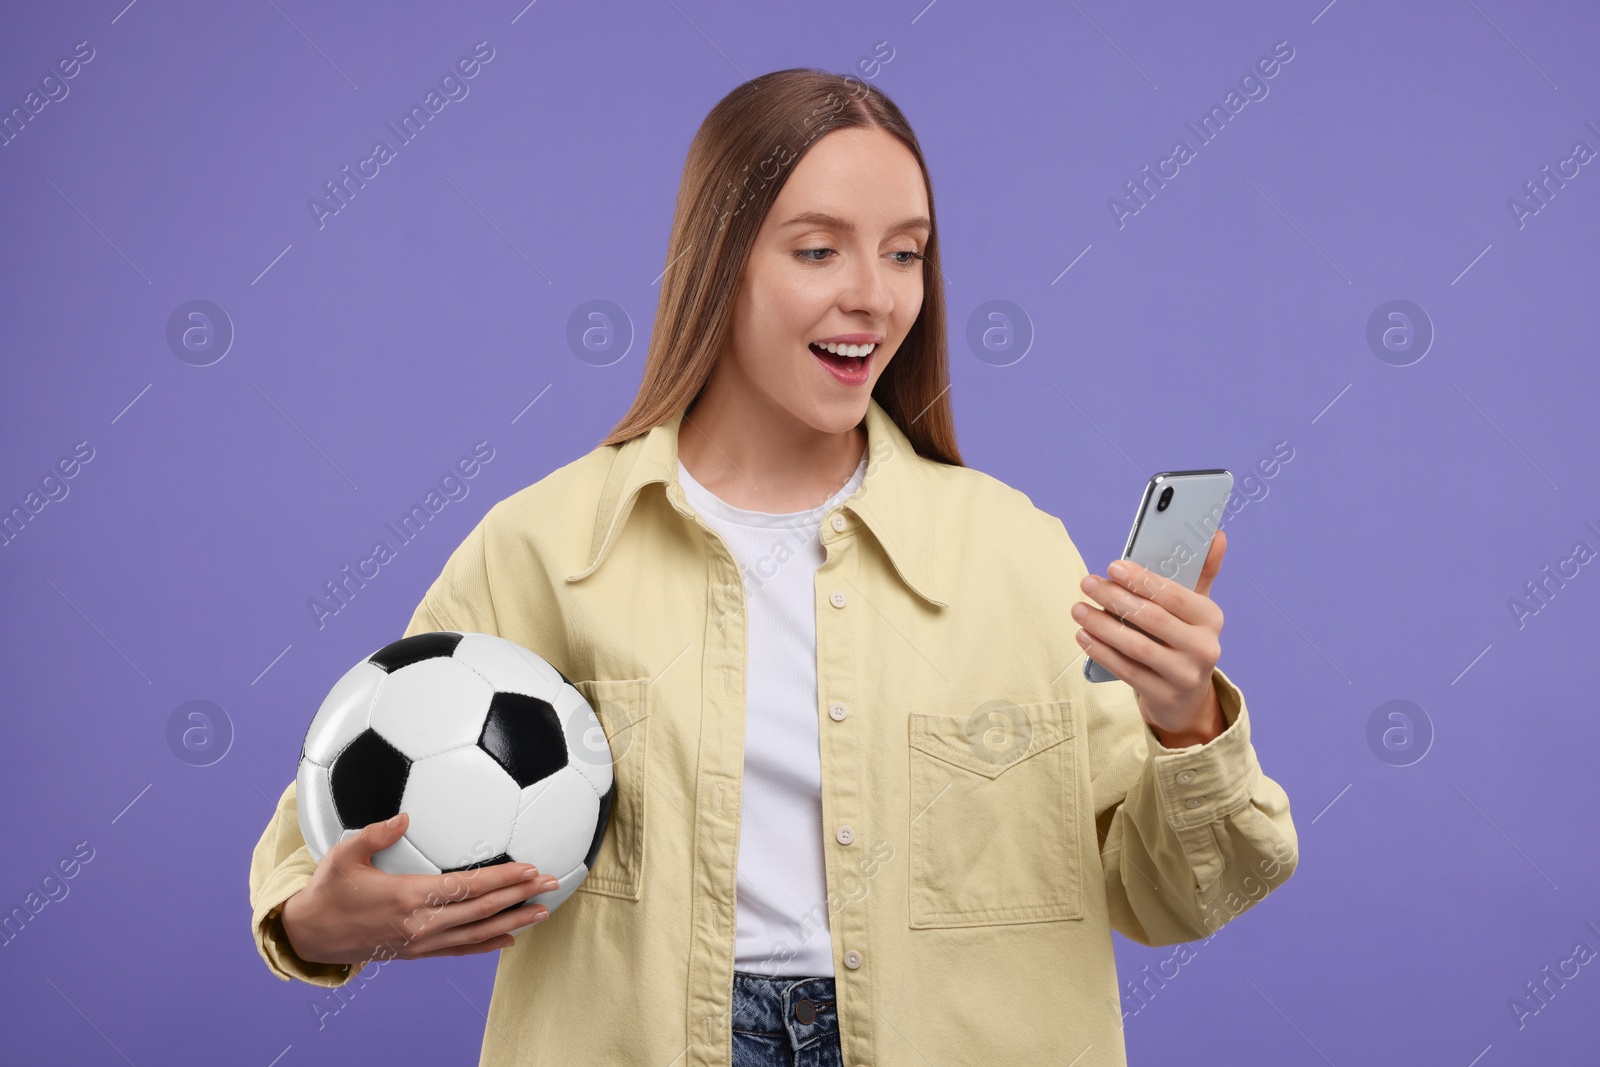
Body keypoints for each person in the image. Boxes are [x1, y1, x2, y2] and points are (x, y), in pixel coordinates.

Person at [248, 67, 1298, 1067]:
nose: (874, 298)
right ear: (721, 258)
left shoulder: (1014, 552)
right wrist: (315, 919)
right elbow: (324, 828)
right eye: (816, 250)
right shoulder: (545, 545)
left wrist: (1183, 719)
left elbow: (1174, 896)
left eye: (904, 253)